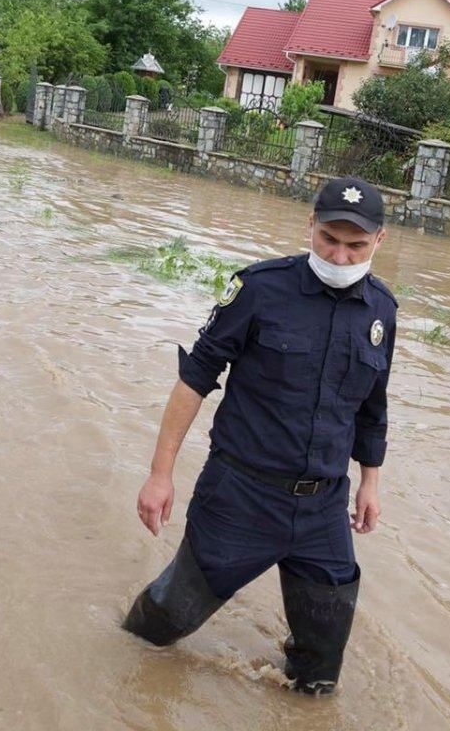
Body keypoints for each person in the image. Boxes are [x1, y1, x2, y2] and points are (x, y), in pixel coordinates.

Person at [122, 176, 396, 695]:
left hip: (323, 508)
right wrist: (160, 476)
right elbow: (195, 378)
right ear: (309, 225)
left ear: (379, 241)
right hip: (241, 497)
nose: (339, 256)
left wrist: (370, 483)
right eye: (329, 239)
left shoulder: (382, 311)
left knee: (319, 672)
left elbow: (373, 404)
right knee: (161, 625)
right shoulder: (260, 290)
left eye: (355, 245)